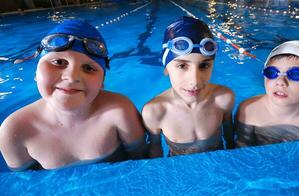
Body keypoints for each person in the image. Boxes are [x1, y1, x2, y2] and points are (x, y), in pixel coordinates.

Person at [0, 20, 146, 171]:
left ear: (102, 82)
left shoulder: (120, 110)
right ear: (36, 73)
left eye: (89, 68)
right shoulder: (14, 130)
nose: (71, 77)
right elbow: (24, 185)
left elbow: (142, 159)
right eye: (58, 62)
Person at [142, 16, 235, 157]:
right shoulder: (155, 111)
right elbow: (155, 152)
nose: (195, 81)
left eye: (204, 65)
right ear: (166, 68)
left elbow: (230, 140)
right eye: (182, 65)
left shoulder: (224, 99)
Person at [235, 40, 299, 147]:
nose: (280, 82)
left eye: (296, 74)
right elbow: (242, 147)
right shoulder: (249, 111)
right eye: (272, 72)